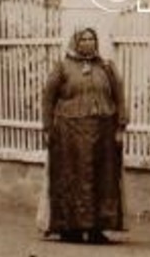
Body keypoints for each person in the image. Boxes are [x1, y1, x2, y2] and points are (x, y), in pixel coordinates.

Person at [40, 27, 129, 244]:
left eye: (92, 39)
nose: (88, 43)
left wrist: (120, 127)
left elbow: (119, 97)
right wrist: (48, 128)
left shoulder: (107, 67)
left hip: (103, 132)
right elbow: (48, 98)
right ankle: (72, 228)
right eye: (84, 39)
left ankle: (98, 228)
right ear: (76, 42)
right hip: (69, 134)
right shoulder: (62, 68)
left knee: (103, 178)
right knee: (73, 178)